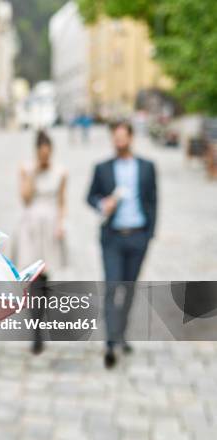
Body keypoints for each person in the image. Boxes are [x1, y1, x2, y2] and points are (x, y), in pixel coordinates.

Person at [87, 120, 157, 369]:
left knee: (129, 288)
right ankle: (109, 341)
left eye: (122, 137)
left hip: (138, 236)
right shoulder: (102, 168)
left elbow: (153, 201)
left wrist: (149, 235)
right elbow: (90, 196)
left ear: (130, 138)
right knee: (112, 286)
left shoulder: (147, 167)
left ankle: (121, 333)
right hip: (113, 237)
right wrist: (102, 204)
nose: (119, 142)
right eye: (115, 138)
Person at [16, 130, 67, 354]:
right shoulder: (26, 169)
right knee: (33, 278)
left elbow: (62, 201)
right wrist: (34, 173)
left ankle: (41, 317)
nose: (45, 157)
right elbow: (25, 198)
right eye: (41, 154)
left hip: (50, 226)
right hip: (31, 226)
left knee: (45, 277)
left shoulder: (61, 172)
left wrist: (61, 224)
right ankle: (36, 329)